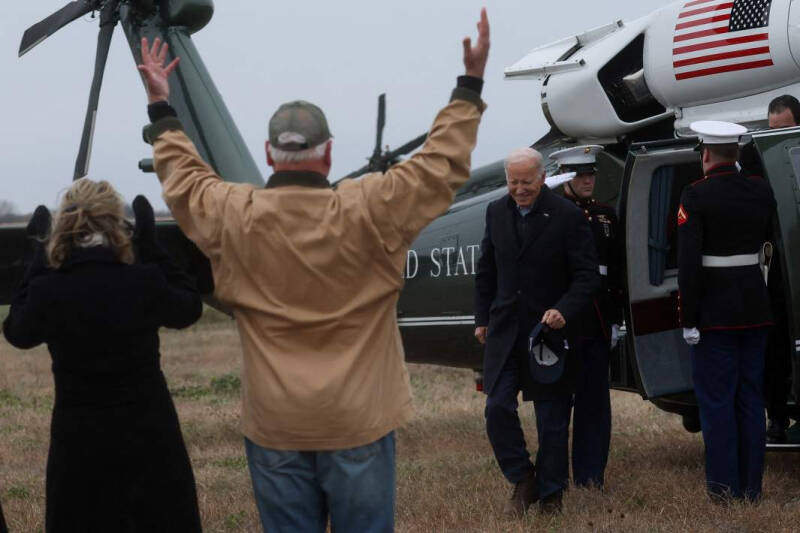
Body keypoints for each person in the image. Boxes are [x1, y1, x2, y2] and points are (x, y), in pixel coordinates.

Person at [135, 9, 489, 531]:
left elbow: (184, 181)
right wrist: (468, 86)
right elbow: (440, 165)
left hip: (276, 426)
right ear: (327, 155)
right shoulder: (371, 207)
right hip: (360, 423)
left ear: (268, 156)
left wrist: (161, 107)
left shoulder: (234, 213)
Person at [2, 180, 203, 530]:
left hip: (78, 437)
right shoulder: (143, 280)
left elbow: (17, 331)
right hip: (150, 432)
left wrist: (36, 261)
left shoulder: (49, 291)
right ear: (115, 223)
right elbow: (188, 307)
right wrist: (153, 248)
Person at [474, 147, 600, 516]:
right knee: (496, 408)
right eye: (513, 182)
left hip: (548, 334)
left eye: (526, 181)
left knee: (552, 420)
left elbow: (587, 276)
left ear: (542, 176)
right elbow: (487, 271)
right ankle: (523, 478)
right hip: (505, 331)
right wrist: (482, 318)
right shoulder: (496, 212)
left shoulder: (567, 216)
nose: (519, 189)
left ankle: (551, 495)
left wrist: (563, 309)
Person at [678, 120, 776, 503]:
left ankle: (723, 489)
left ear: (705, 153)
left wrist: (688, 319)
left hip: (714, 314)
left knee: (717, 403)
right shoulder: (760, 190)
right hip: (755, 306)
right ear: (736, 153)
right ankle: (752, 489)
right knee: (751, 400)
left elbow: (688, 264)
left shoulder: (695, 195)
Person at [550, 145, 623, 488]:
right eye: (580, 174)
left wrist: (619, 318)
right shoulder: (552, 215)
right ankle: (554, 476)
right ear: (565, 176)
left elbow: (618, 270)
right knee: (559, 403)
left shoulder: (606, 214)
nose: (587, 179)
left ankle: (591, 475)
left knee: (595, 402)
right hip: (564, 318)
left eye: (591, 173)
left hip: (597, 319)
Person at [763, 95, 799, 443]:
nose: (778, 136)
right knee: (775, 348)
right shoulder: (757, 160)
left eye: (785, 129)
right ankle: (776, 417)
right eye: (772, 129)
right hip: (774, 269)